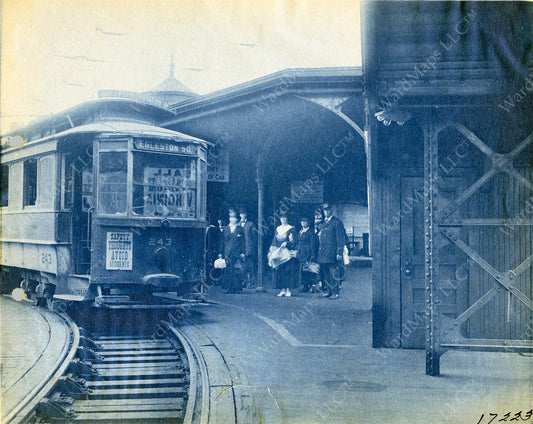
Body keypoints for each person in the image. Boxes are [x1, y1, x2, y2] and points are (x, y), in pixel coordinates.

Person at [316, 203, 347, 299]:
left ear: (331, 211)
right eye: (324, 210)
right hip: (323, 253)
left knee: (333, 272)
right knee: (325, 273)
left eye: (328, 210)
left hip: (332, 252)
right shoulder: (323, 223)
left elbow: (341, 239)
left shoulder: (337, 222)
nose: (326, 212)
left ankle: (335, 292)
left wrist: (339, 253)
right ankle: (329, 291)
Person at [270, 211, 299, 297]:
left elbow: (295, 241)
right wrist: (272, 250)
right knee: (280, 271)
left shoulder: (291, 228)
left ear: (287, 219)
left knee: (288, 271)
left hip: (287, 253)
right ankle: (282, 289)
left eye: (284, 218)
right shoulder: (278, 228)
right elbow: (274, 241)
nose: (283, 219)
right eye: (281, 218)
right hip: (279, 252)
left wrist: (287, 243)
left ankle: (288, 289)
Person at [219, 209, 245, 293]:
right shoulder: (226, 228)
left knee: (235, 271)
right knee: (227, 270)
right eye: (231, 217)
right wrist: (220, 253)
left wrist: (242, 252)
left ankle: (236, 288)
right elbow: (222, 241)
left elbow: (243, 242)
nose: (233, 219)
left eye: (234, 218)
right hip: (227, 252)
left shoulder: (240, 229)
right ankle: (228, 288)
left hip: (236, 252)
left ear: (237, 219)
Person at [297, 216, 318, 292]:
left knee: (309, 269)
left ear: (308, 223)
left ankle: (311, 285)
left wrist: (313, 254)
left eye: (305, 222)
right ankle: (305, 285)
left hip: (307, 252)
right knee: (303, 270)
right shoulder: (300, 231)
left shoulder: (310, 232)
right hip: (301, 252)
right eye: (302, 222)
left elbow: (313, 244)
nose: (303, 223)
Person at [239, 208, 257, 288]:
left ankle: (251, 282)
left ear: (246, 214)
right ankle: (243, 281)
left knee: (250, 265)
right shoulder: (237, 224)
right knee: (242, 266)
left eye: (244, 213)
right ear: (240, 215)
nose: (243, 215)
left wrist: (252, 245)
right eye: (241, 213)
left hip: (249, 247)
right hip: (240, 248)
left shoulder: (250, 224)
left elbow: (254, 236)